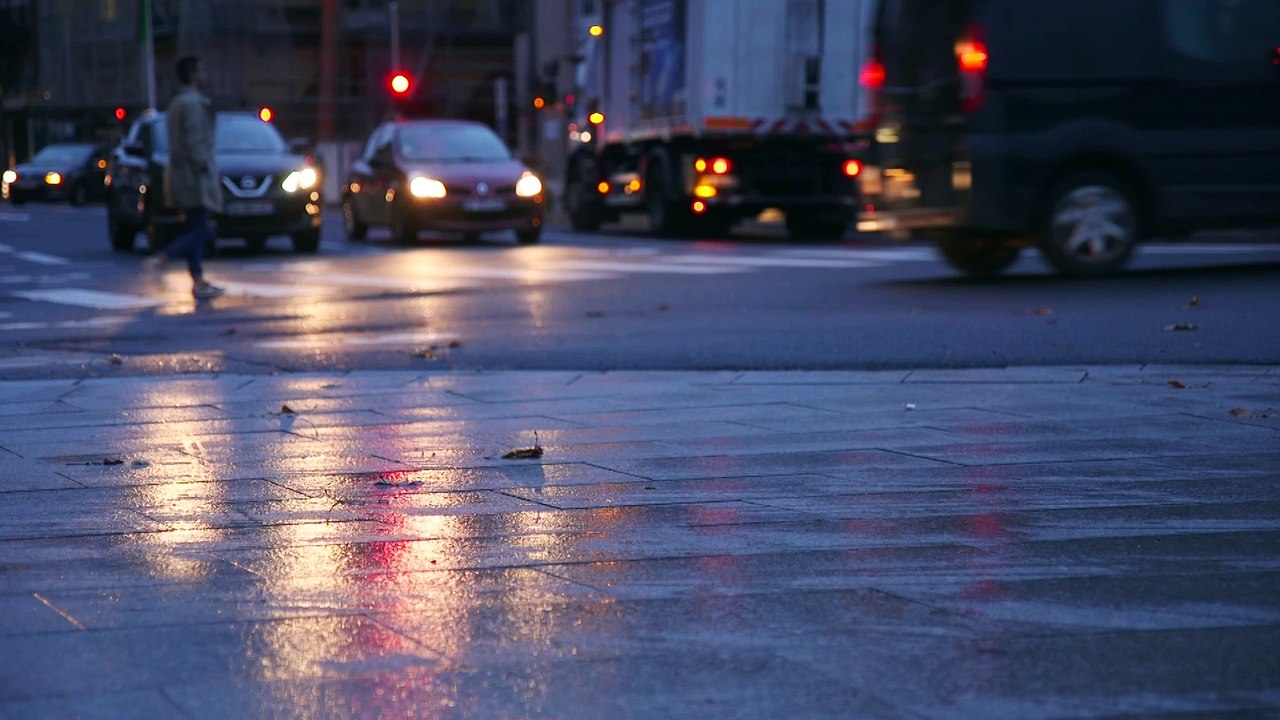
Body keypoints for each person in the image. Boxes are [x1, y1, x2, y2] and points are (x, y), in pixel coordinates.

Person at [144, 55, 224, 299]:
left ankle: (198, 279)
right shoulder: (192, 104)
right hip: (195, 176)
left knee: (196, 226)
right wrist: (203, 168)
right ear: (191, 74)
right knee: (203, 229)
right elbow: (194, 141)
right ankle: (166, 255)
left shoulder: (178, 103)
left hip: (182, 173)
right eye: (201, 70)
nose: (205, 75)